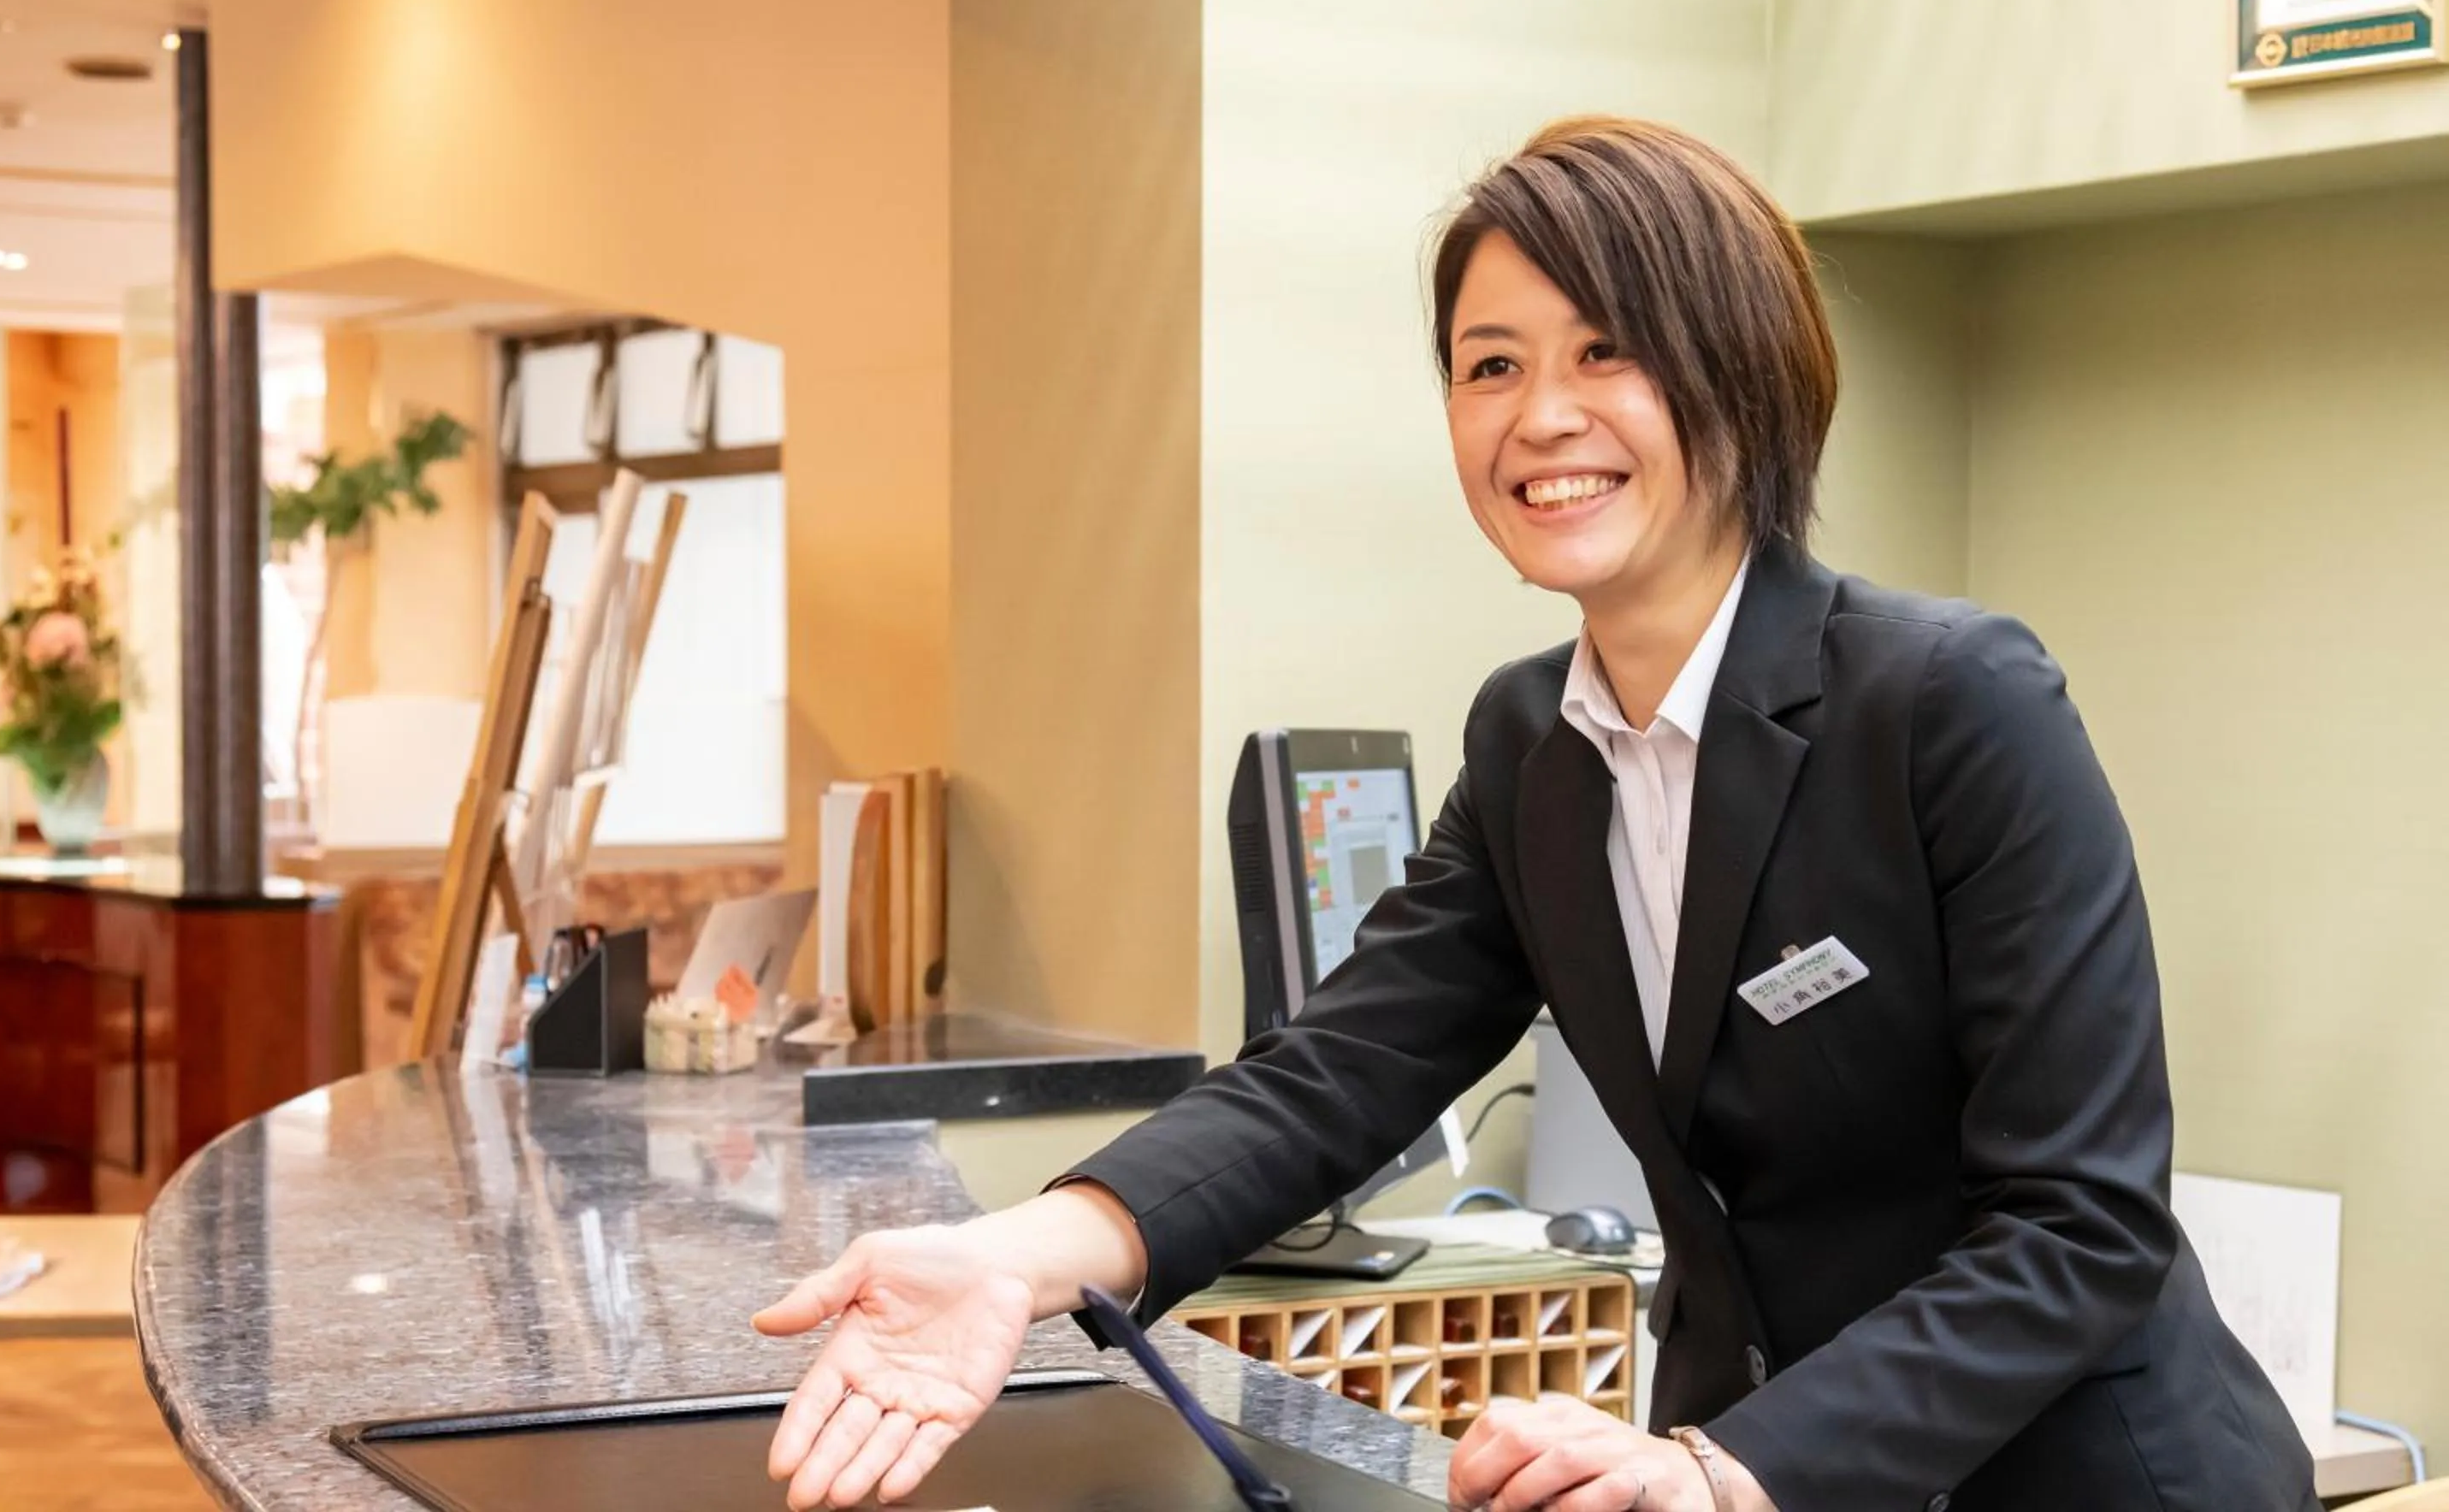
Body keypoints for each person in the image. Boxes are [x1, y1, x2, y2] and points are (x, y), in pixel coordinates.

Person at [753, 117, 2316, 1512]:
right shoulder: (1530, 743)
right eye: (1491, 364)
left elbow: (2082, 1225)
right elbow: (1335, 1075)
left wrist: (1727, 1469)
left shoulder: (1953, 700)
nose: (1540, 417)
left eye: (1605, 353)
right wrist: (1014, 1257)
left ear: (1744, 375)